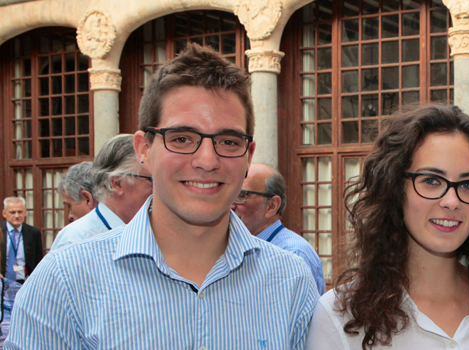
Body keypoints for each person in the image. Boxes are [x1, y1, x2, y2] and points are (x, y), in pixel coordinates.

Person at [5, 43, 318, 348]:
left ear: (248, 155)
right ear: (144, 150)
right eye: (181, 138)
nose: (207, 161)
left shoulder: (290, 282)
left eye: (228, 142)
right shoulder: (64, 283)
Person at [306, 105, 469, 350]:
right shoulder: (339, 316)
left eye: (468, 184)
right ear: (394, 187)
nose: (452, 202)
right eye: (431, 181)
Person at [232, 163, 326, 293]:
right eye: (229, 194)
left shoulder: (293, 253)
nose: (230, 205)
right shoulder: (233, 247)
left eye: (241, 195)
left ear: (271, 206)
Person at [51, 134, 153, 251]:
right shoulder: (76, 240)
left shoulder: (150, 233)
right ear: (117, 183)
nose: (159, 190)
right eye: (152, 180)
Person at [0, 197, 44, 339]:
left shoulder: (34, 232)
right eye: (12, 212)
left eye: (20, 212)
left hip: (24, 284)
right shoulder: (0, 231)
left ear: (25, 212)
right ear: (4, 213)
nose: (17, 215)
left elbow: (38, 260)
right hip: (3, 284)